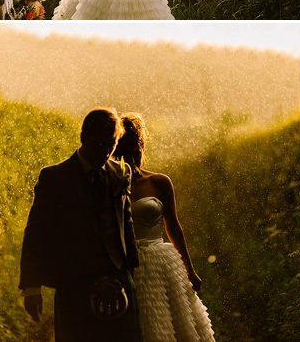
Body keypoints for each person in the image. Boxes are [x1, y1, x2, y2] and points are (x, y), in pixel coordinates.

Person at [20, 107, 141, 342]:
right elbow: (36, 232)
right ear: (83, 137)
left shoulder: (119, 173)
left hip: (118, 278)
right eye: (99, 145)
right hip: (73, 282)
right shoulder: (54, 177)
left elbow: (126, 223)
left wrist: (132, 270)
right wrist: (32, 288)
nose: (106, 152)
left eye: (112, 145)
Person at [114, 114, 215, 342]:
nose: (132, 159)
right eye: (125, 153)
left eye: (136, 151)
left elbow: (174, 226)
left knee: (174, 323)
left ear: (141, 148)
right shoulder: (108, 185)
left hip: (161, 262)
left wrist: (189, 270)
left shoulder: (159, 182)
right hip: (125, 263)